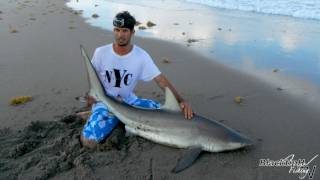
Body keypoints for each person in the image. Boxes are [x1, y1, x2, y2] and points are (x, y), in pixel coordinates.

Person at [80, 11, 193, 148]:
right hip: (106, 102)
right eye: (117, 30)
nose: (120, 35)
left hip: (130, 101)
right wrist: (92, 96)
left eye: (125, 31)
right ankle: (104, 115)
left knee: (171, 115)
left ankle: (120, 119)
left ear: (132, 32)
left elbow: (160, 80)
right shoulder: (101, 53)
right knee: (89, 141)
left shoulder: (141, 56)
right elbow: (93, 79)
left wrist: (180, 101)